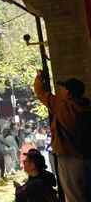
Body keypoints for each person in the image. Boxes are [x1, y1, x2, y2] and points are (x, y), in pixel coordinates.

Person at [34, 72, 91, 202]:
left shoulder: (63, 107)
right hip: (86, 157)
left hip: (70, 159)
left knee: (74, 197)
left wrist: (39, 78)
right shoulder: (86, 108)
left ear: (69, 93)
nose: (60, 90)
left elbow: (40, 92)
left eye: (63, 88)